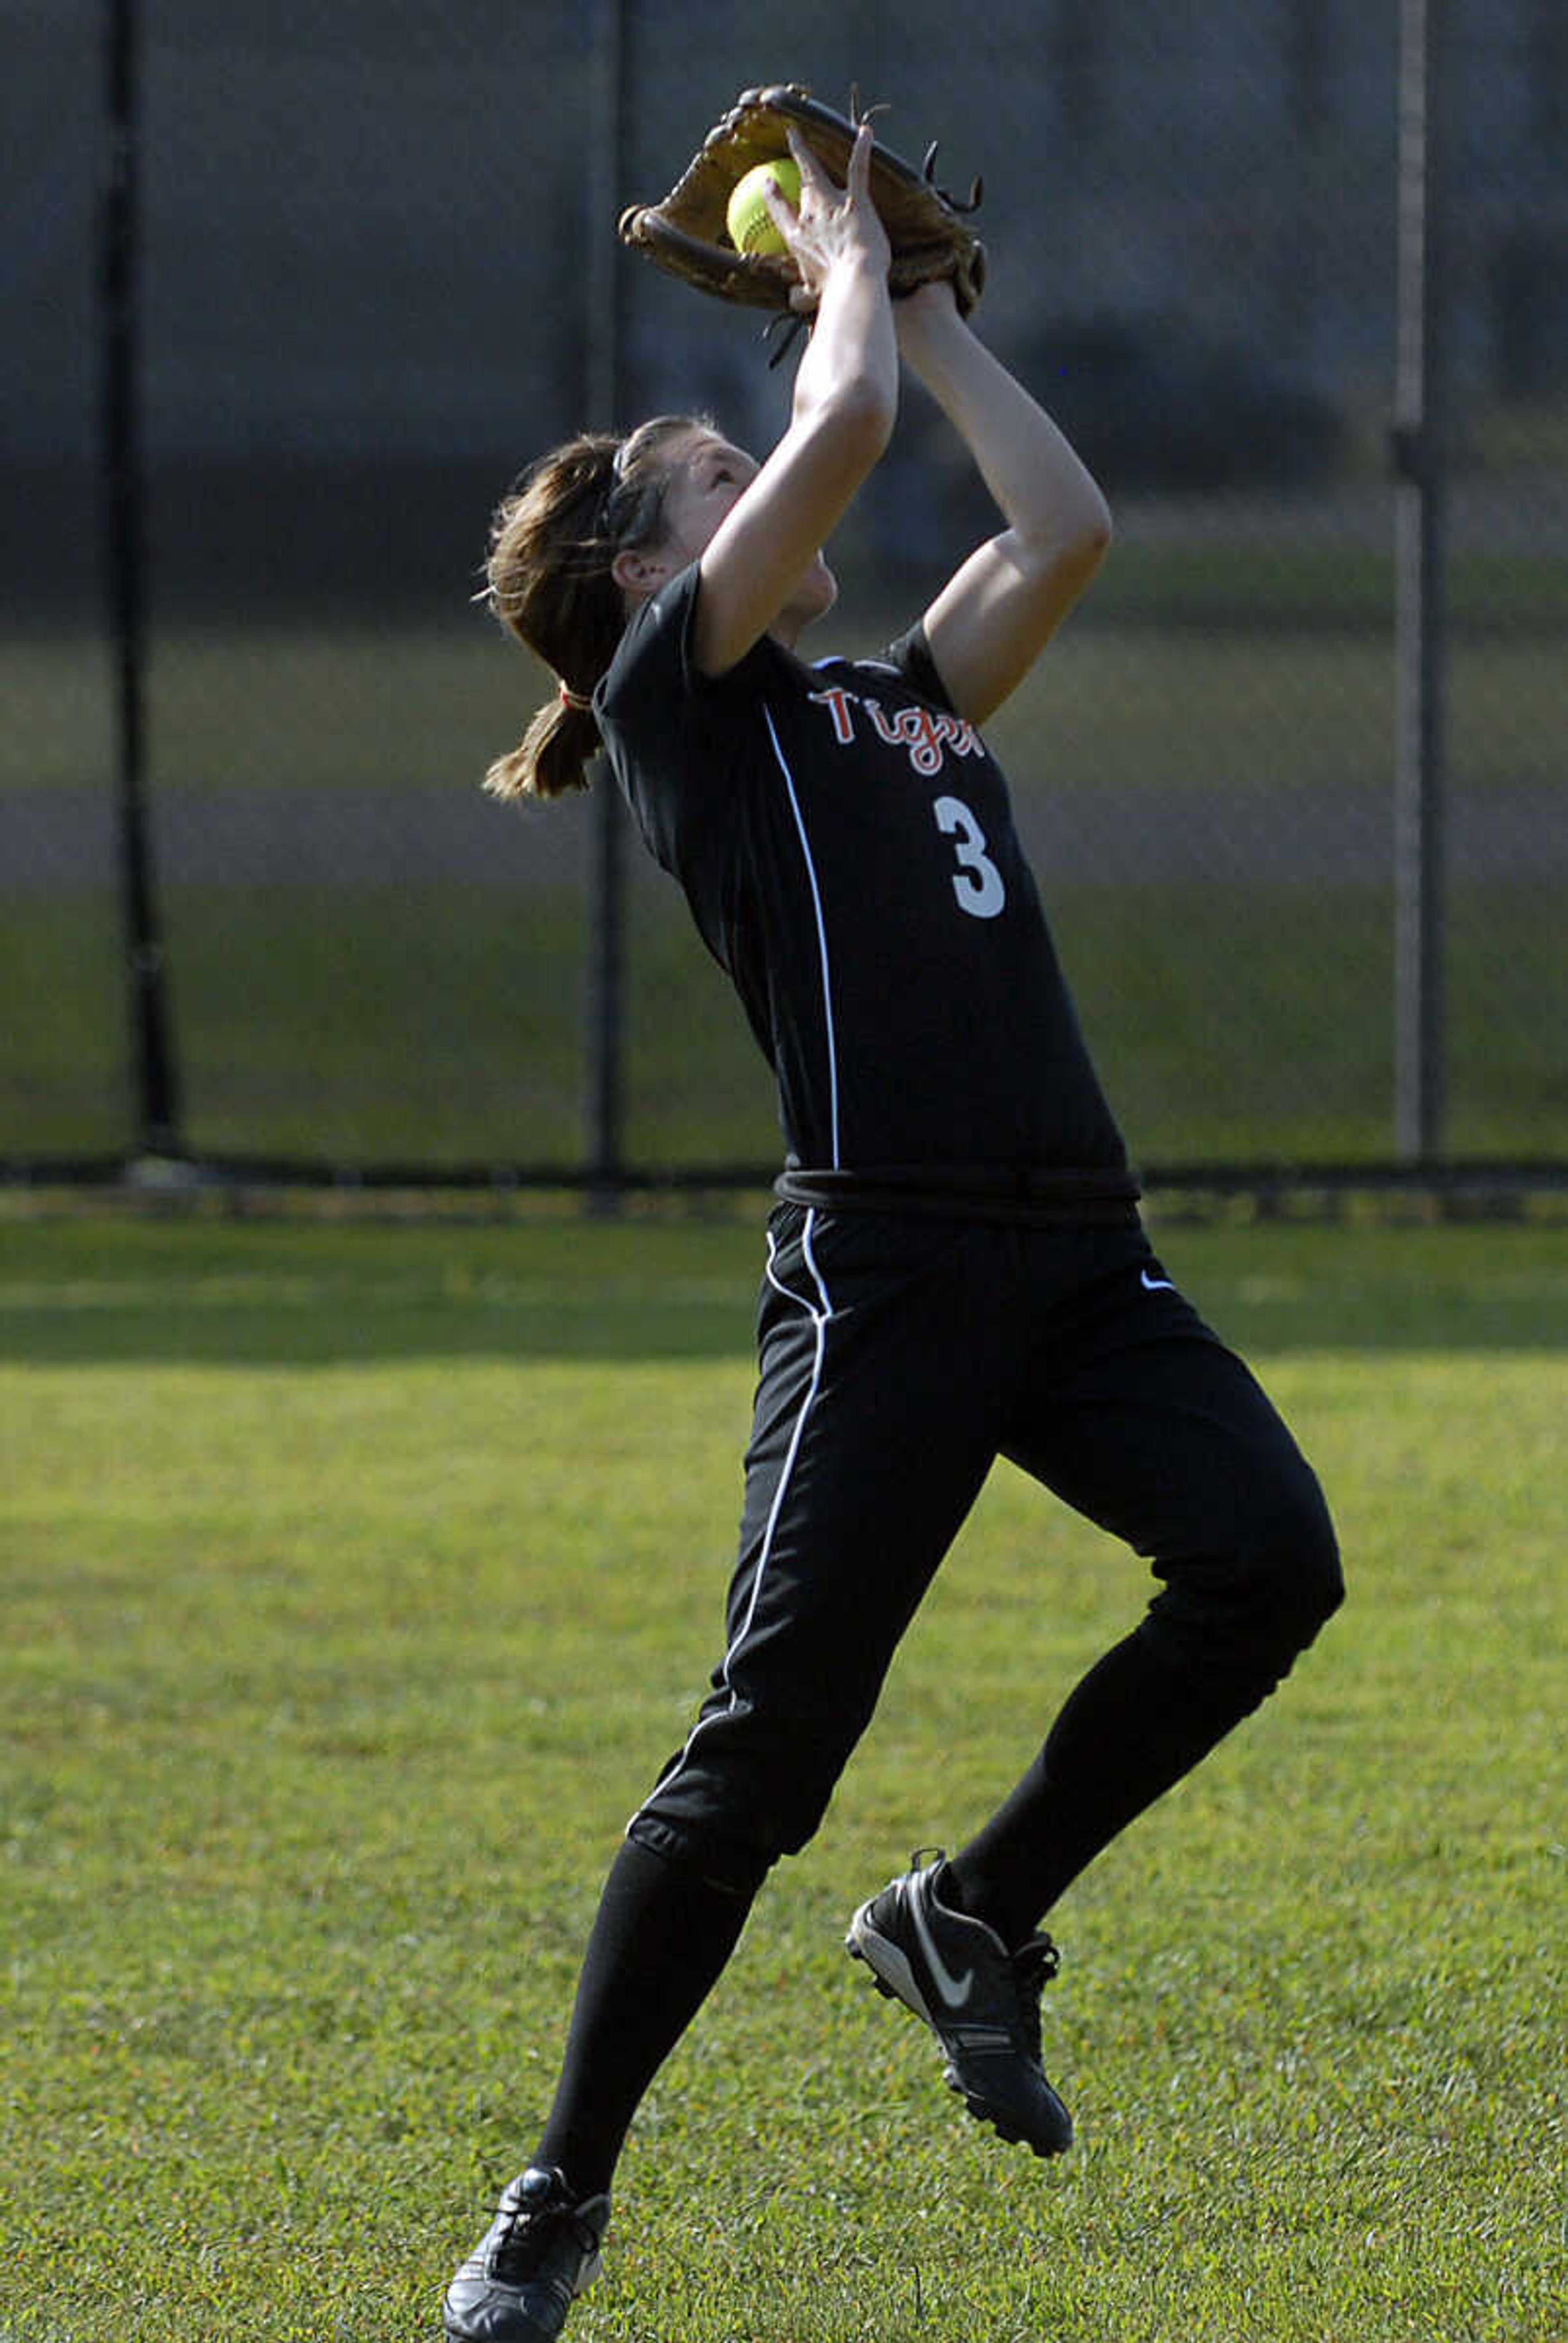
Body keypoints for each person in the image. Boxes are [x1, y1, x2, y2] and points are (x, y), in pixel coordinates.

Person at [444, 125, 1342, 2343]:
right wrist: (841, 268)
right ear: (661, 580)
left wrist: (927, 315)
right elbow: (834, 430)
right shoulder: (687, 711)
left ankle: (975, 1915)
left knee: (1269, 1559)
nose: (753, 459)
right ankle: (558, 2195)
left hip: (1073, 1245)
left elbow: (1067, 523)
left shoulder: (896, 700)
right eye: (703, 471)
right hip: (891, 1275)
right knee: (763, 1753)